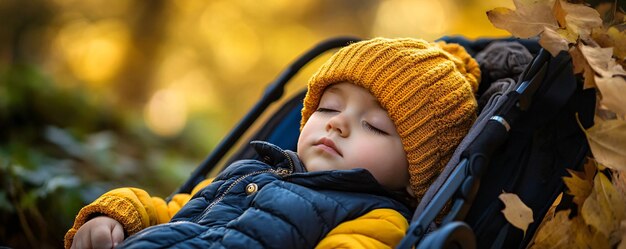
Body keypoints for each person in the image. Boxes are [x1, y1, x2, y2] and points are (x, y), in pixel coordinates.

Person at [65, 37, 480, 249]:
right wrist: (117, 218)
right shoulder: (248, 171)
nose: (338, 126)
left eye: (374, 125)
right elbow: (174, 210)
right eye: (330, 108)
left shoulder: (377, 220)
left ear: (416, 173)